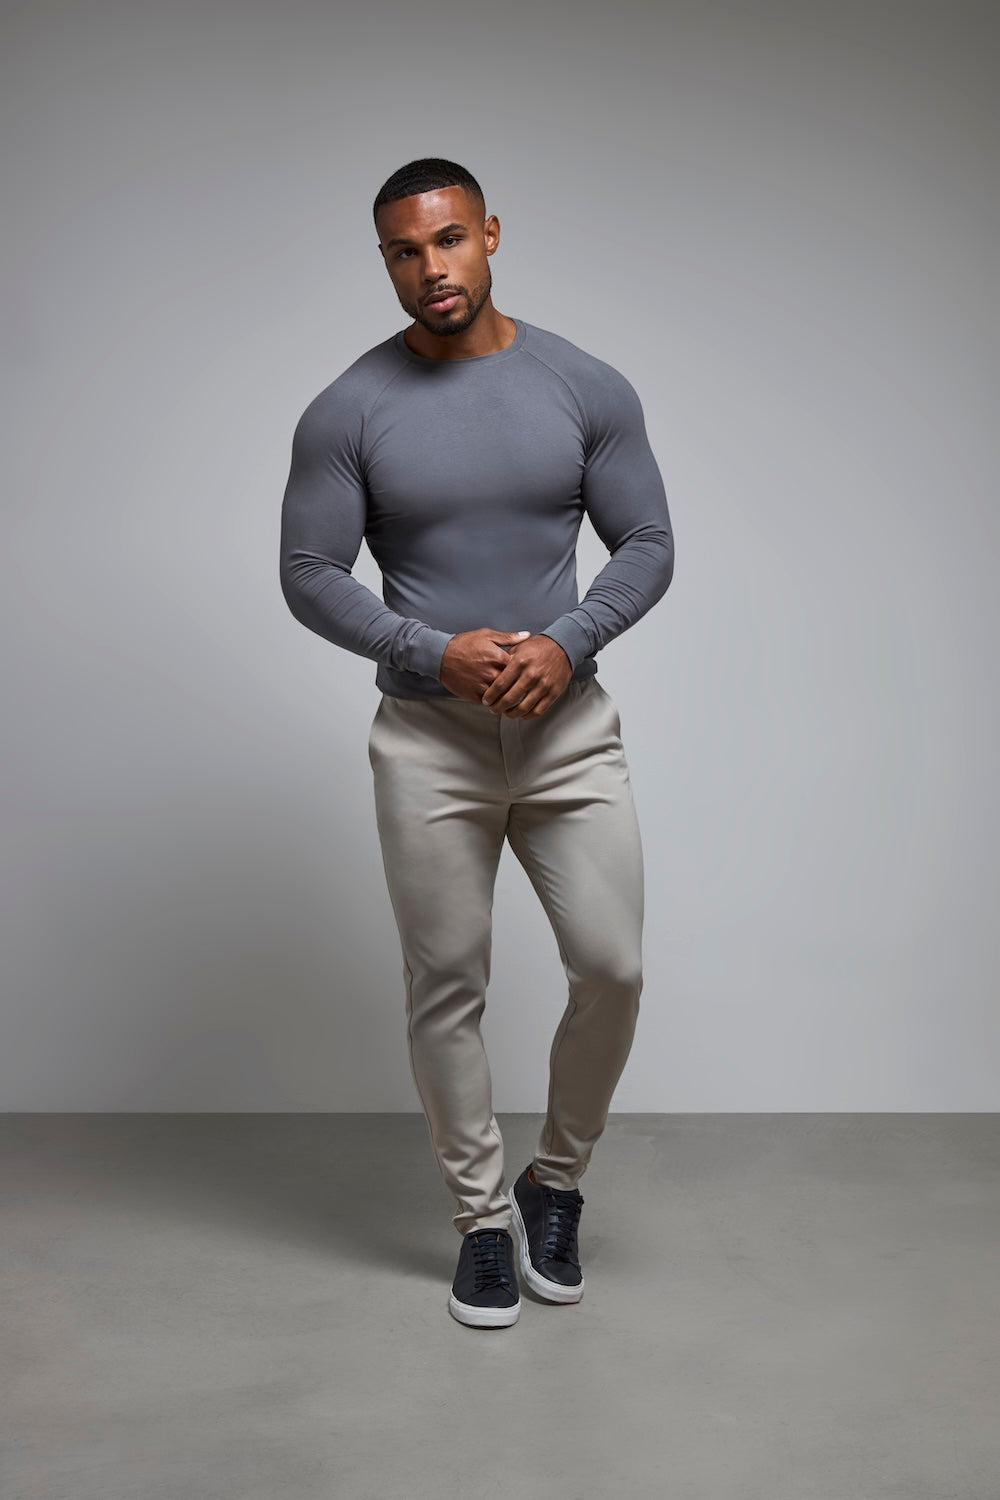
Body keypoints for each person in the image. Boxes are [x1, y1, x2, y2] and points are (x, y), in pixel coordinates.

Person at [279, 158, 674, 1330]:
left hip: (567, 731)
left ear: (489, 233)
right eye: (404, 252)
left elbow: (647, 541)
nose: (430, 269)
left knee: (612, 966)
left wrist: (568, 638)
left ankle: (556, 1183)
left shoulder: (581, 384)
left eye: (447, 240)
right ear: (386, 261)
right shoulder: (349, 408)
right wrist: (427, 650)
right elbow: (308, 572)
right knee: (447, 984)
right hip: (429, 742)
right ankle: (480, 1222)